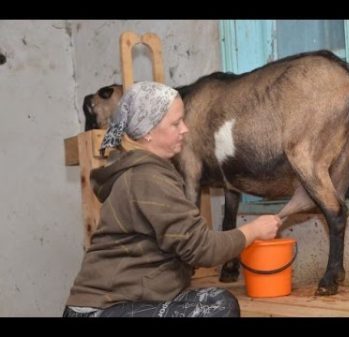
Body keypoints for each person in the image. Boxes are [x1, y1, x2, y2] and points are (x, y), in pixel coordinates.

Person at [63, 81, 282, 317]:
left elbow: (184, 244)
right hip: (100, 311)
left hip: (130, 301)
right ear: (147, 132)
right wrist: (255, 230)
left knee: (217, 299)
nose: (185, 129)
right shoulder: (147, 178)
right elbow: (204, 249)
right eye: (176, 123)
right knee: (217, 309)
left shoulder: (149, 172)